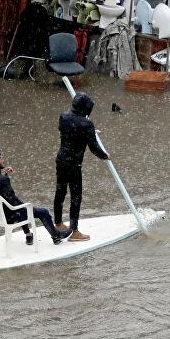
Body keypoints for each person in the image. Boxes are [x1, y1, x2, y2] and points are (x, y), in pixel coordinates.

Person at [0, 148, 72, 246]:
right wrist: (28, 206)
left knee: (21, 208)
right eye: (1, 158)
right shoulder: (2, 180)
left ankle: (28, 234)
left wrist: (4, 175)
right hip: (10, 217)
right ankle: (56, 236)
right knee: (42, 212)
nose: (3, 160)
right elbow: (14, 203)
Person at [54, 93, 109, 242]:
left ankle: (58, 223)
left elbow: (68, 131)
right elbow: (94, 148)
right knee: (76, 197)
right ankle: (74, 232)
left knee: (60, 191)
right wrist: (105, 156)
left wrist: (89, 132)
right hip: (74, 164)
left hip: (61, 159)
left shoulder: (63, 116)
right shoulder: (87, 124)